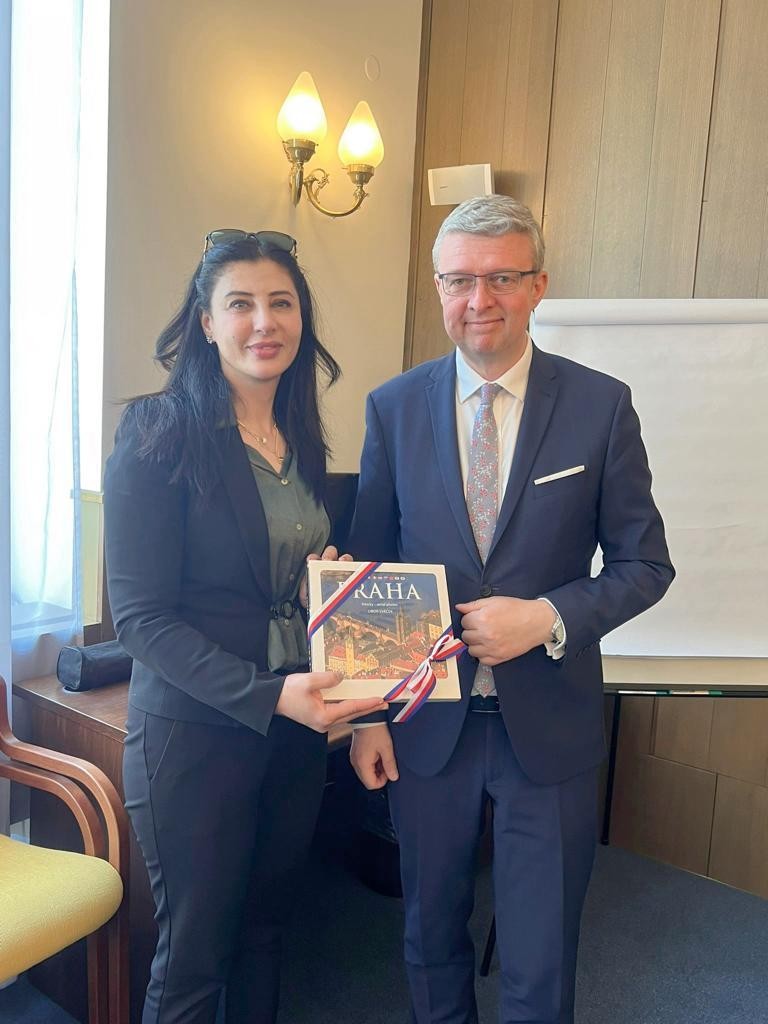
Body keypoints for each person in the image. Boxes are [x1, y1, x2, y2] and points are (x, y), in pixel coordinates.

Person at [348, 196, 674, 1024]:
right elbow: (371, 571)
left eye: (501, 279)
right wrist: (367, 717)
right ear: (438, 287)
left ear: (538, 286)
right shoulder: (393, 407)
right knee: (430, 936)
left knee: (541, 957)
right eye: (460, 280)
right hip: (425, 728)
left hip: (550, 731)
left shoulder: (601, 406)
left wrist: (547, 618)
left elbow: (645, 565)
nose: (479, 300)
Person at [103, 229, 386, 1024]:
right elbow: (140, 619)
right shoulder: (158, 431)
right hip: (198, 733)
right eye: (241, 304)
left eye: (281, 303)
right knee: (194, 957)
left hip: (294, 727)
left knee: (266, 934)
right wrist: (269, 696)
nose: (265, 322)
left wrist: (321, 583)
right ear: (206, 322)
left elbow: (272, 581)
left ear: (302, 319)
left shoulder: (300, 440)